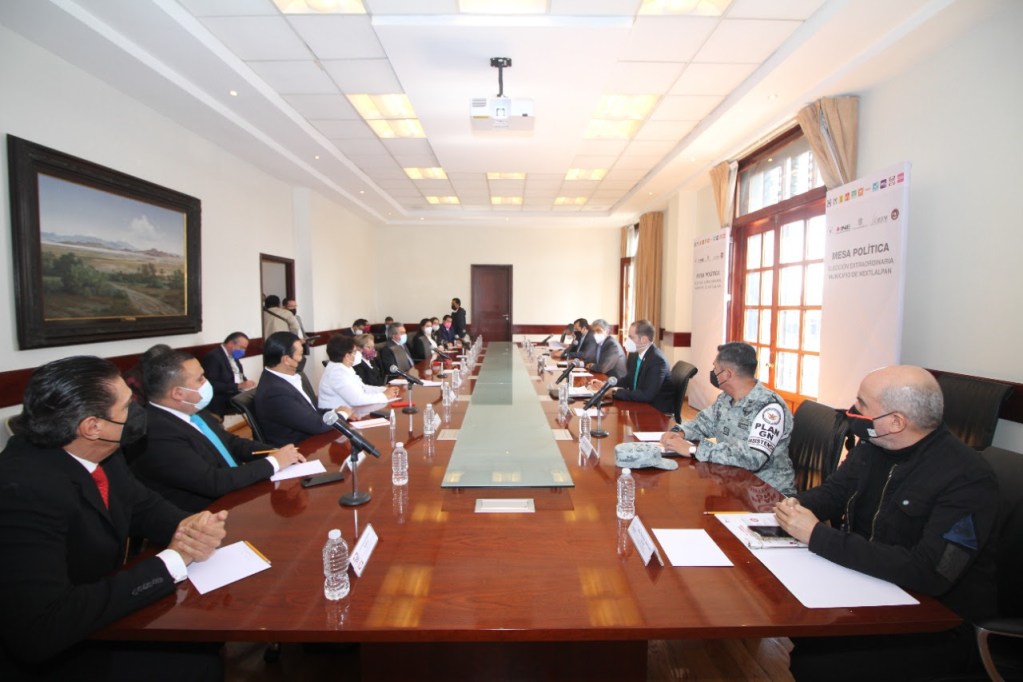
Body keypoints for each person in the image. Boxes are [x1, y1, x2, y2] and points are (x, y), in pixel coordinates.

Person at [0, 356, 227, 681]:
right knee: (196, 660)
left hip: (102, 607)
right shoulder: (21, 491)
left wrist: (190, 526)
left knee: (204, 633)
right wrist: (171, 561)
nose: (138, 410)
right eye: (127, 406)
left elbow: (143, 505)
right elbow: (42, 627)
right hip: (61, 649)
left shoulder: (103, 451)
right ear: (92, 426)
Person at [774, 365, 998, 680]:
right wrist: (791, 507)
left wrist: (816, 535)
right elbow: (834, 493)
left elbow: (930, 572)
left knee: (816, 662)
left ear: (896, 422)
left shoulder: (967, 478)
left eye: (861, 405)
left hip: (935, 619)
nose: (851, 411)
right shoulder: (875, 447)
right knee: (791, 616)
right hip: (871, 585)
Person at [132, 350, 306, 512]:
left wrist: (272, 452)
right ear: (178, 393)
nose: (206, 382)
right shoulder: (156, 434)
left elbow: (231, 442)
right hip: (209, 513)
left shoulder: (193, 409)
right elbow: (213, 482)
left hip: (237, 493)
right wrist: (273, 463)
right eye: (200, 379)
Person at [660, 342, 796, 496]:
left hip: (766, 493)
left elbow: (752, 458)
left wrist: (694, 450)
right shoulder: (726, 398)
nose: (713, 373)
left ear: (727, 374)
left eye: (715, 368)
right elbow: (703, 423)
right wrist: (678, 432)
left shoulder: (769, 408)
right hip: (732, 483)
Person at [253, 332, 350, 447]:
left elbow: (312, 410)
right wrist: (342, 415)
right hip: (299, 448)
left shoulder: (290, 377)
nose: (302, 358)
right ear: (286, 360)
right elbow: (316, 425)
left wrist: (335, 412)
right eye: (300, 354)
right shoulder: (274, 392)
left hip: (313, 439)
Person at [589, 320, 674, 414]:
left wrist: (613, 392)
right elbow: (629, 379)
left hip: (656, 411)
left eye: (631, 337)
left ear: (644, 340)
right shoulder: (634, 355)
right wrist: (606, 385)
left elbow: (646, 395)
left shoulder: (657, 360)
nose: (627, 340)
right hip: (639, 405)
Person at [319, 335, 401, 410]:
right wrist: (384, 396)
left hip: (350, 411)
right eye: (355, 352)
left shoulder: (345, 367)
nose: (358, 354)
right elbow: (357, 400)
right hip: (337, 416)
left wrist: (384, 389)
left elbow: (363, 388)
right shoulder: (337, 373)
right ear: (347, 356)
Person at [200, 332, 256, 418]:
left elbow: (239, 375)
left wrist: (247, 384)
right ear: (230, 344)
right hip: (221, 397)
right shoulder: (214, 357)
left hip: (235, 392)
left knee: (260, 397)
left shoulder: (233, 356)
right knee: (256, 403)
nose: (243, 351)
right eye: (242, 348)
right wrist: (238, 386)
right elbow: (210, 384)